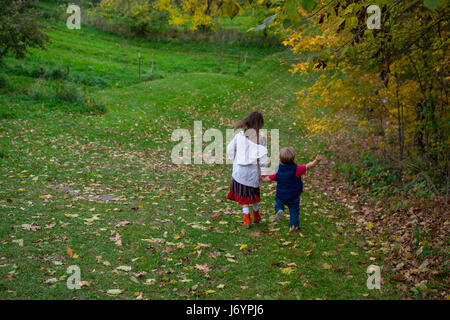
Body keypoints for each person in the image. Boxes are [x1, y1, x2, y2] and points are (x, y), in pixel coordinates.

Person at [261, 147, 322, 232]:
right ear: (294, 158)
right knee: (294, 210)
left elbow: (269, 178)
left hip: (281, 195)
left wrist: (262, 179)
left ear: (280, 160)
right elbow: (308, 166)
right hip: (293, 196)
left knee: (278, 203)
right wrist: (316, 161)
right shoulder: (297, 169)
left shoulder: (278, 171)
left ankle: (279, 210)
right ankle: (293, 226)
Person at [226, 111, 270, 227]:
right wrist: (264, 173)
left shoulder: (239, 136)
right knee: (253, 195)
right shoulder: (261, 140)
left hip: (240, 173)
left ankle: (246, 219)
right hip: (253, 174)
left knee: (243, 197)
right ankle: (256, 214)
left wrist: (234, 159)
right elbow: (264, 158)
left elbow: (230, 149)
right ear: (260, 125)